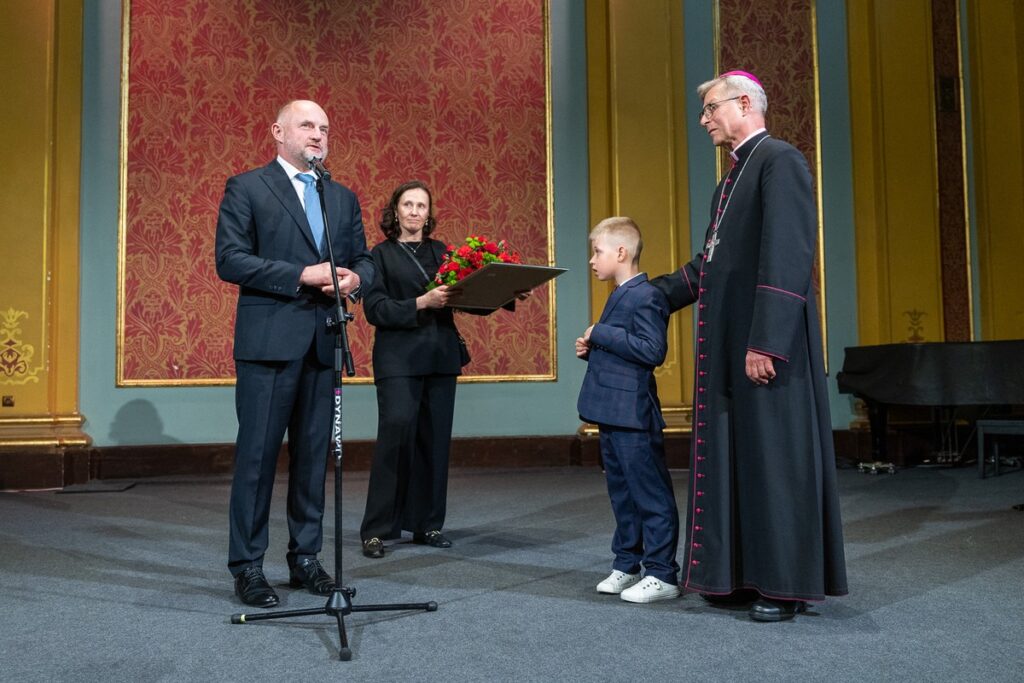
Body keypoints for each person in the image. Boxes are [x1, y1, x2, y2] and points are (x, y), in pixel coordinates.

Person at [650, 71, 848, 621]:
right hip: (733, 344)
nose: (704, 120)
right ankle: (737, 574)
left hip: (766, 347)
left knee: (775, 463)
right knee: (741, 460)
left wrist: (767, 342)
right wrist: (647, 293)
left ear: (744, 103)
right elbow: (713, 264)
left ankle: (782, 585)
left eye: (710, 108)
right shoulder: (731, 179)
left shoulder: (779, 160)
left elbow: (787, 254)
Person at [215, 99, 375, 607]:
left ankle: (306, 558)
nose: (318, 134)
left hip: (324, 341)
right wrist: (300, 275)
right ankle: (248, 567)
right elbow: (230, 259)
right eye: (307, 125)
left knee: (312, 459)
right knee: (258, 459)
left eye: (325, 127)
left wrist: (356, 279)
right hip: (267, 345)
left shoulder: (341, 196)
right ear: (277, 131)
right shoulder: (247, 187)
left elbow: (363, 260)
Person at [357, 181, 466, 559]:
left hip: (440, 355)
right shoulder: (379, 255)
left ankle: (428, 524)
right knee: (395, 437)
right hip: (398, 359)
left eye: (422, 205)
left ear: (428, 212)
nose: (415, 211)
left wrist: (506, 291)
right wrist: (422, 301)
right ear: (396, 210)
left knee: (434, 442)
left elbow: (469, 297)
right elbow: (376, 310)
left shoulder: (443, 252)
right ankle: (376, 529)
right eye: (408, 204)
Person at [576, 217, 680, 604]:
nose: (592, 260)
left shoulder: (646, 295)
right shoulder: (620, 293)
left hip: (634, 413)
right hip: (610, 409)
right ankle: (628, 562)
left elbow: (653, 351)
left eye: (597, 251)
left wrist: (601, 334)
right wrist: (595, 350)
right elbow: (629, 349)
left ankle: (662, 573)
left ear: (622, 253)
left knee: (648, 493)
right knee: (622, 493)